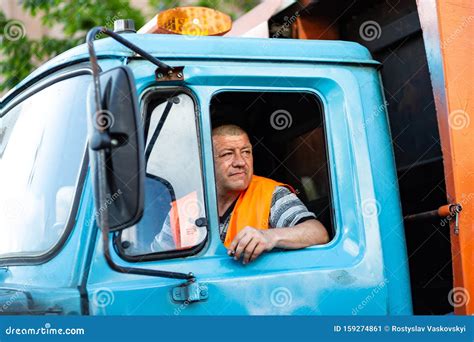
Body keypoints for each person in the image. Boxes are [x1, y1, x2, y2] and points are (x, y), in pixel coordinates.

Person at [151, 124, 329, 263]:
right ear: (205, 162)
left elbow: (318, 232)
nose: (240, 162)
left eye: (246, 152)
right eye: (228, 154)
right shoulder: (182, 210)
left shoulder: (271, 194)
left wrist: (269, 236)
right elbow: (155, 260)